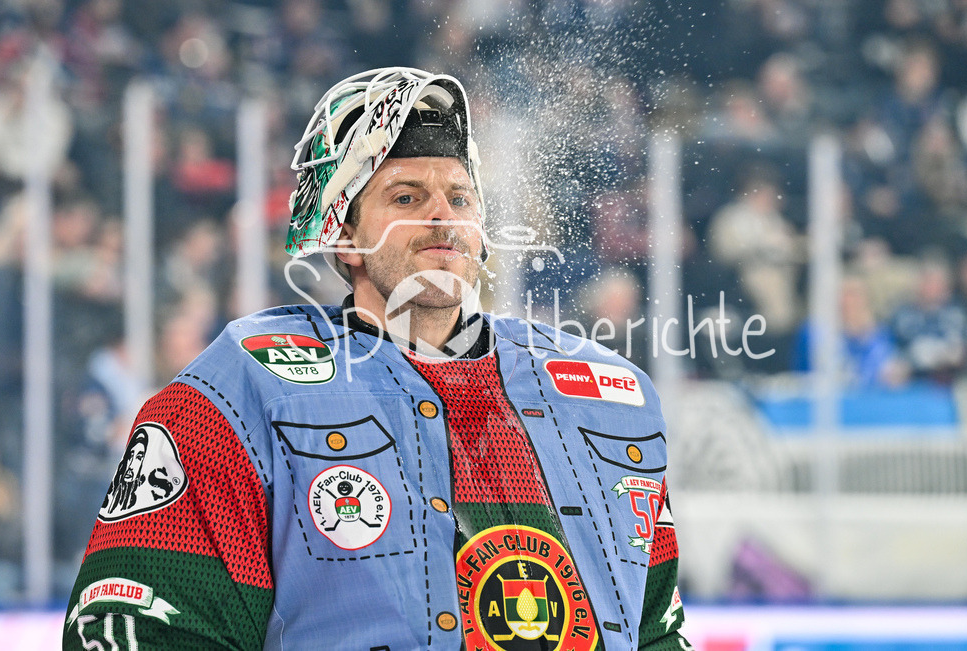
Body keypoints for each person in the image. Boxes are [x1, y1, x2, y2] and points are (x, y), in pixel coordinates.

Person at [64, 67, 690, 649]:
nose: (443, 215)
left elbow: (659, 632)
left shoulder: (606, 394)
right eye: (407, 198)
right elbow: (144, 629)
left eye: (460, 198)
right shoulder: (241, 390)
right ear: (345, 237)